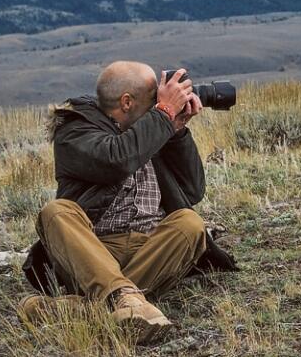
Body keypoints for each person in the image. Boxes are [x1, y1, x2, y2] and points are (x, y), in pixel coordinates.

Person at [19, 61, 237, 343]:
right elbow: (117, 160)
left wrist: (177, 131)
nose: (161, 103)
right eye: (155, 98)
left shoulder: (152, 128)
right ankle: (124, 299)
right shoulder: (74, 132)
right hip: (92, 252)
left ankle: (90, 307)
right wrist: (163, 114)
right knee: (56, 212)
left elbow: (191, 191)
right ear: (126, 102)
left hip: (150, 249)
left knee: (189, 221)